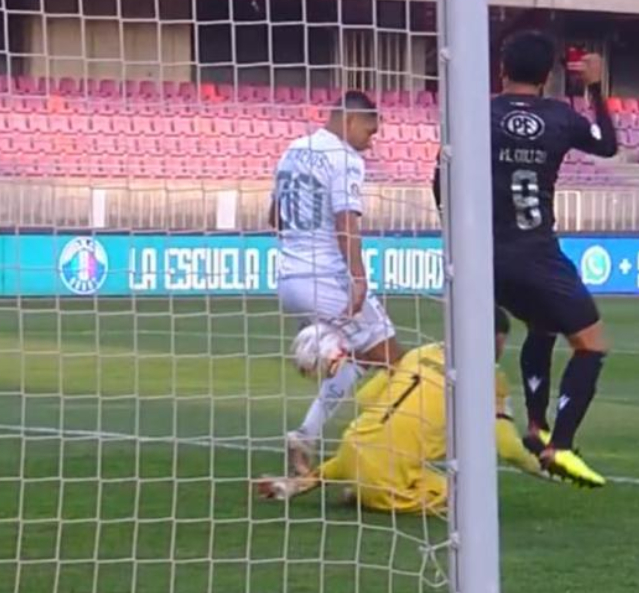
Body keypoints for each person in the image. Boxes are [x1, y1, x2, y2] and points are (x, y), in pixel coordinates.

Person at [434, 31, 618, 486]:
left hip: (484, 255)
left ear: (502, 68)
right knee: (592, 344)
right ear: (549, 75)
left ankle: (536, 427)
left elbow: (440, 180)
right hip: (536, 251)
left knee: (544, 324)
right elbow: (607, 144)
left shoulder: (477, 112)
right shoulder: (559, 116)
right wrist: (594, 87)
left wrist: (459, 237)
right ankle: (561, 446)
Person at [255, 308, 544, 514]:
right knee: (476, 500)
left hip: (352, 447)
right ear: (494, 338)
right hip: (387, 477)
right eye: (500, 341)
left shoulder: (419, 353)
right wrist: (545, 468)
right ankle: (366, 493)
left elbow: (366, 399)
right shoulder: (488, 378)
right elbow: (508, 448)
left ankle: (297, 484)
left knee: (369, 443)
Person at [269, 90, 405, 474]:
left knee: (356, 360)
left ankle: (305, 435)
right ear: (349, 121)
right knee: (399, 364)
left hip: (290, 280)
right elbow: (347, 222)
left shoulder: (292, 151)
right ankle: (388, 451)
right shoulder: (345, 158)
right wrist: (358, 279)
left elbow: (274, 218)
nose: (371, 140)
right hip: (328, 280)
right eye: (369, 130)